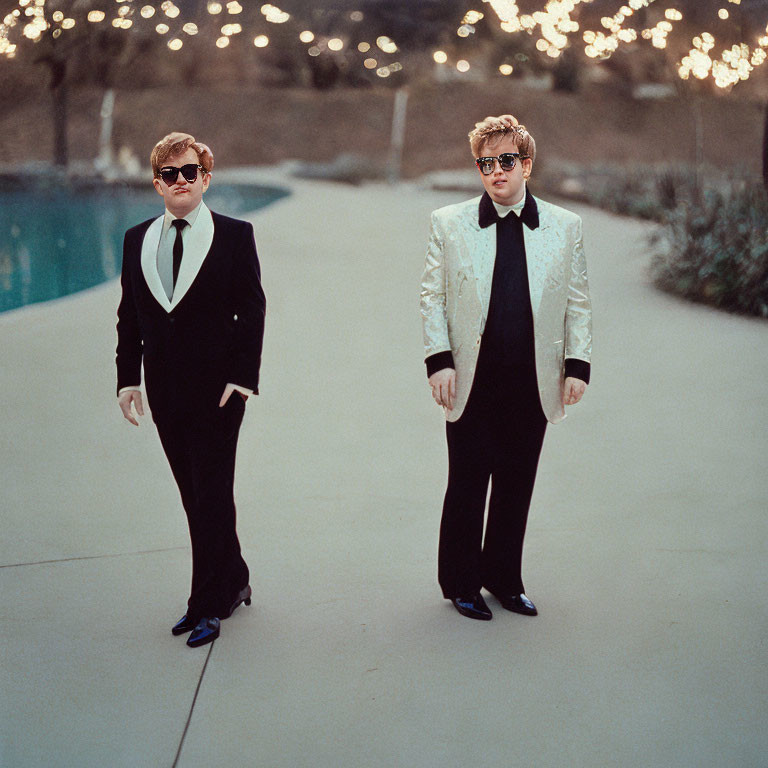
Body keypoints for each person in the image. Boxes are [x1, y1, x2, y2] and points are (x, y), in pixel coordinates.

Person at [420, 114, 592, 621]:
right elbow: (432, 298)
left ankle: (504, 577)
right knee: (468, 480)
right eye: (486, 163)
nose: (497, 172)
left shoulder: (565, 227)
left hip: (532, 378)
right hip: (472, 376)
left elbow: (578, 302)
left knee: (517, 481)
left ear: (527, 165)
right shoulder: (448, 223)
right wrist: (439, 362)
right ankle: (461, 583)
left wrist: (577, 366)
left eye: (507, 161)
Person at [116, 132, 266, 647]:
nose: (180, 182)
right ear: (157, 183)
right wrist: (127, 378)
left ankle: (205, 604)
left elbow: (253, 310)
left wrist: (244, 379)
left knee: (212, 495)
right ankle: (235, 579)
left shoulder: (235, 234)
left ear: (205, 178)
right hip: (164, 392)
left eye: (190, 172)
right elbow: (130, 314)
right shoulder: (136, 239)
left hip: (221, 392)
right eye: (169, 174)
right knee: (194, 497)